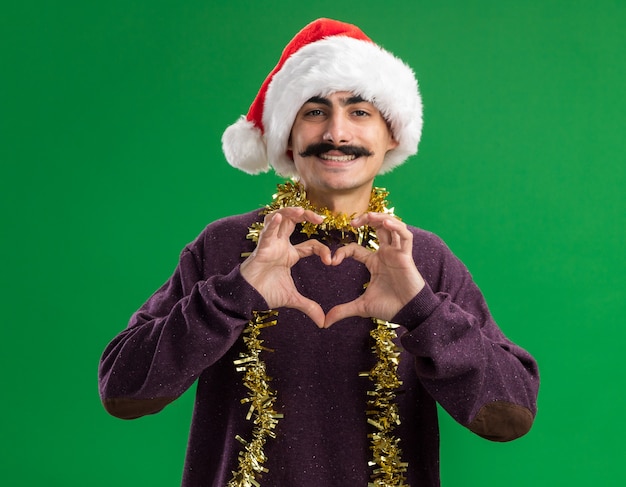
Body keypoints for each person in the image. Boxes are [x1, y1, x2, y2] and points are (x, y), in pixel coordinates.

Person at [99, 18, 539, 487]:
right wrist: (233, 294)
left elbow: (509, 414)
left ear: (392, 134)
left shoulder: (421, 259)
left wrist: (423, 311)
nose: (336, 133)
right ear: (286, 135)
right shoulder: (225, 247)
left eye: (360, 111)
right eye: (313, 111)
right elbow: (123, 392)